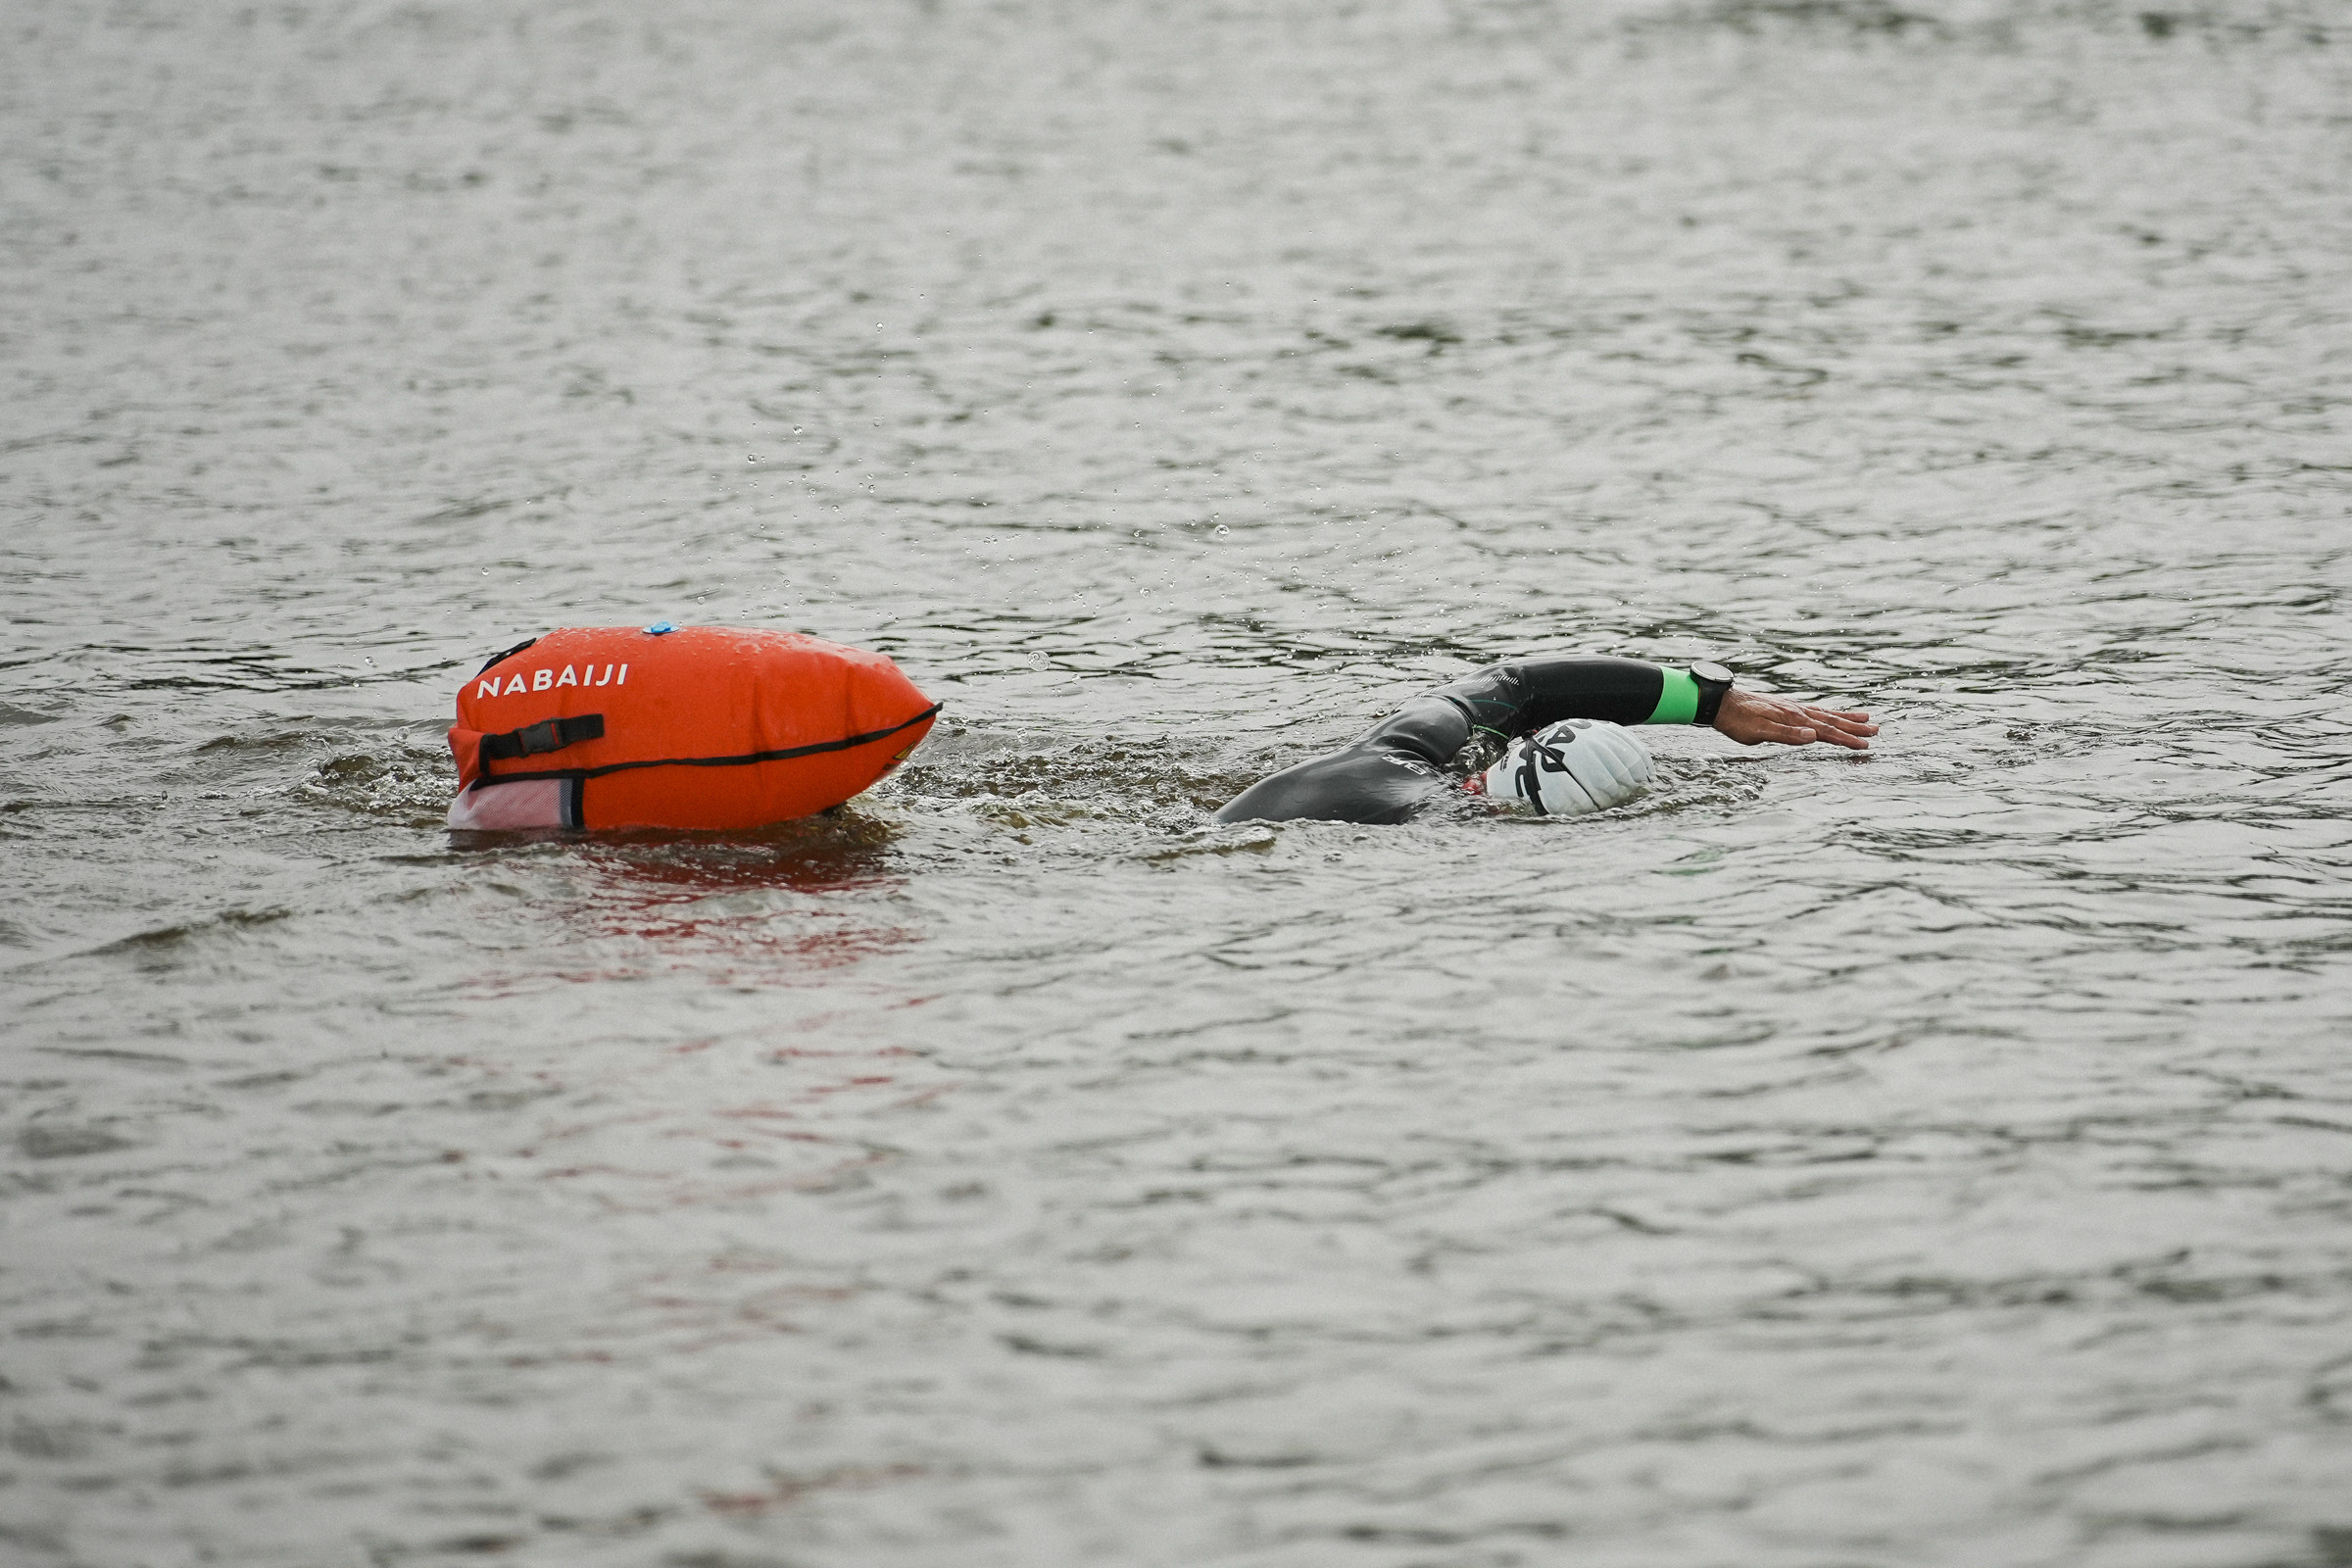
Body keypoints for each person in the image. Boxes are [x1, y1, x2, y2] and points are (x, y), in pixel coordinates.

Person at [1213, 657, 1875, 824]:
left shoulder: (1412, 750)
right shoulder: (1437, 823)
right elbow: (1524, 687)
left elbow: (1518, 684)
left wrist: (1708, 701)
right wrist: (1707, 701)